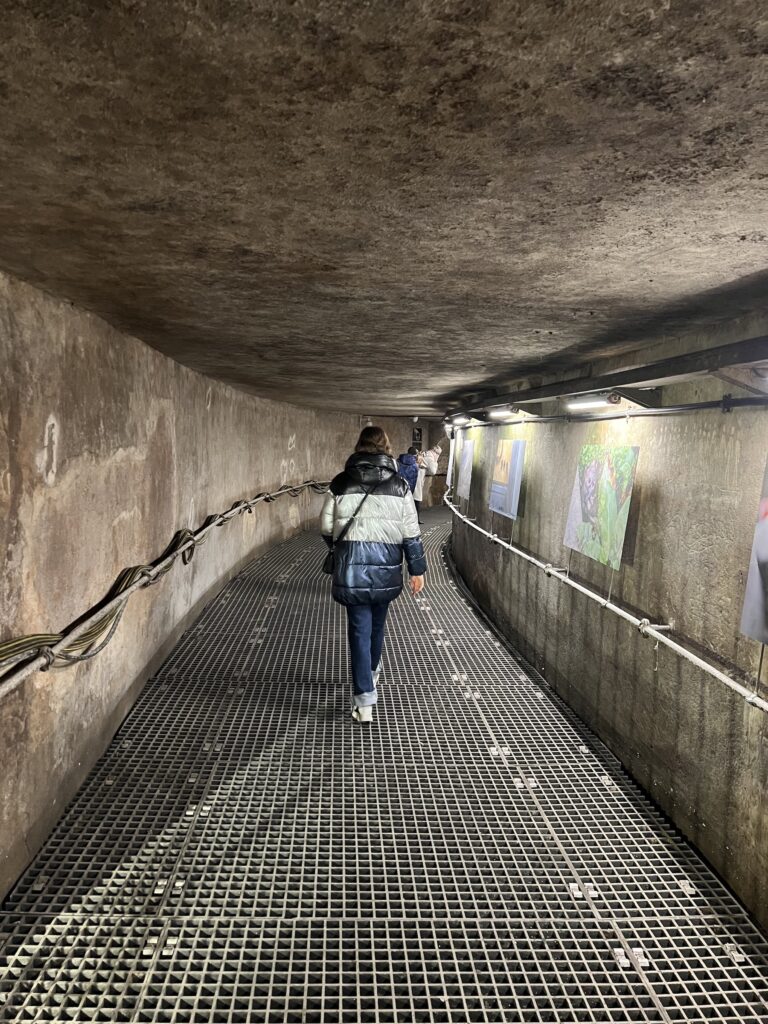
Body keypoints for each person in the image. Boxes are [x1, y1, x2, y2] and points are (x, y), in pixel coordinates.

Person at [321, 426, 426, 723]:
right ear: (386, 449)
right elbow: (411, 532)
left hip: (351, 568)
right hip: (386, 568)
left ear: (359, 447)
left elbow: (326, 527)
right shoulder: (399, 484)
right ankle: (372, 673)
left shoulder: (341, 483)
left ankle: (364, 701)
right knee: (377, 626)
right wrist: (417, 569)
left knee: (358, 630)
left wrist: (341, 548)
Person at [413, 444, 442, 524]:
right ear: (435, 452)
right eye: (438, 454)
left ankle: (415, 519)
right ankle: (416, 519)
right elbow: (433, 471)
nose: (438, 456)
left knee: (415, 498)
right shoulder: (430, 457)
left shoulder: (425, 453)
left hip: (416, 476)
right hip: (418, 477)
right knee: (417, 498)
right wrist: (435, 462)